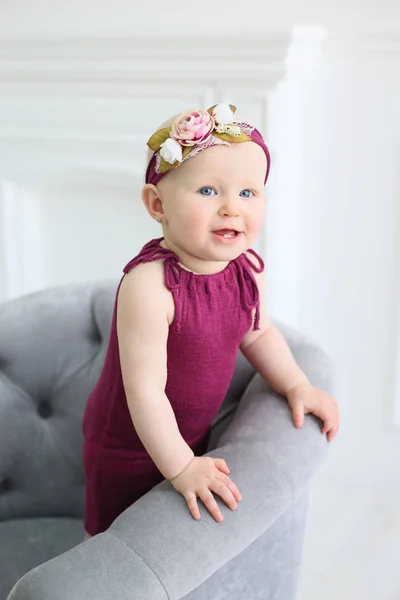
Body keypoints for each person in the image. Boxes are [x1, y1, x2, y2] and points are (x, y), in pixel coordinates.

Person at [82, 103, 339, 539]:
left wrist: (297, 384)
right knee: (114, 534)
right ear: (157, 203)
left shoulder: (245, 270)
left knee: (170, 534)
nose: (231, 209)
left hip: (192, 433)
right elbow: (144, 393)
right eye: (207, 191)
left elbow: (259, 332)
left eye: (247, 193)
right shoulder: (150, 286)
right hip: (129, 443)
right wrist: (182, 467)